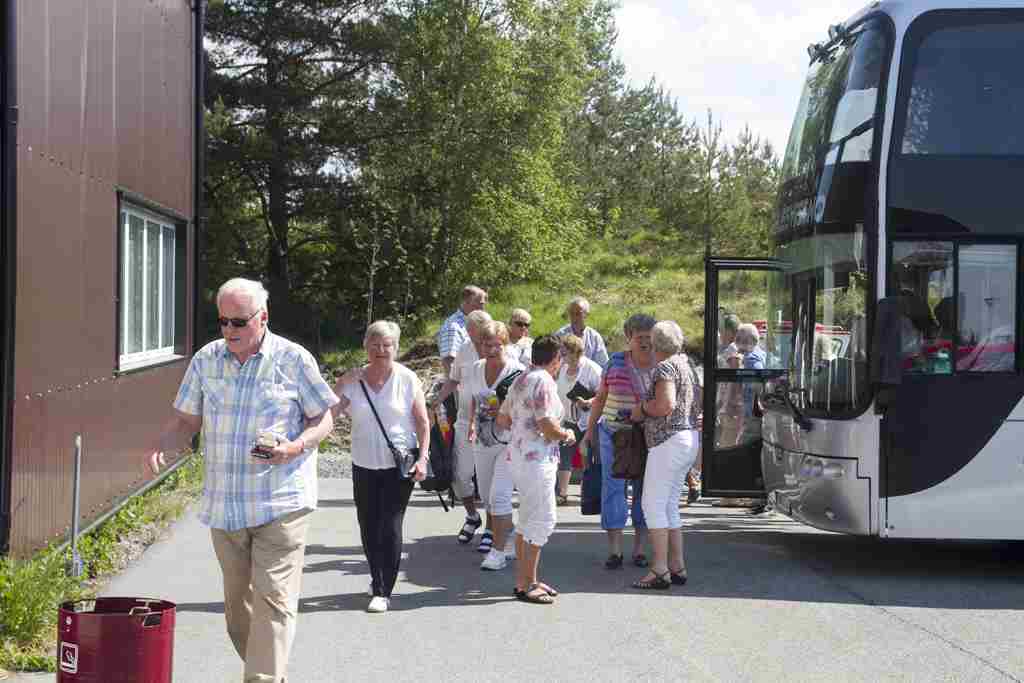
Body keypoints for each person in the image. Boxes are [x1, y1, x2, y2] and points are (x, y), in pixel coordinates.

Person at [146, 278, 338, 682]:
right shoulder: (206, 360)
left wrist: (295, 446)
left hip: (281, 501)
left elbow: (324, 417)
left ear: (262, 318)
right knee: (237, 611)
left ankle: (262, 679)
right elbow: (187, 420)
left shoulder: (293, 359)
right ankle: (272, 673)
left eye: (239, 322)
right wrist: (163, 445)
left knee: (274, 601)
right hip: (226, 505)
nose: (229, 331)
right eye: (223, 322)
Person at [333, 321, 430, 613]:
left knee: (390, 524)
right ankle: (377, 576)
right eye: (374, 344)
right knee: (367, 523)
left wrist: (423, 458)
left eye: (387, 345)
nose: (380, 350)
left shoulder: (407, 379)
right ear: (366, 347)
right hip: (363, 463)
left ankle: (382, 589)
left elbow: (423, 423)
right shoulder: (354, 380)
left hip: (398, 465)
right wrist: (340, 383)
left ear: (396, 348)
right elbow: (329, 412)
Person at [496, 336, 575, 605]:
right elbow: (547, 424)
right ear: (556, 360)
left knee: (527, 521)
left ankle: (525, 579)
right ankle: (527, 583)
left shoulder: (521, 379)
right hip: (536, 461)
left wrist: (522, 428)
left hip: (518, 457)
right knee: (542, 520)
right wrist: (566, 435)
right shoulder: (544, 381)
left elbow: (503, 418)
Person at [630, 321, 700, 589]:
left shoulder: (665, 366)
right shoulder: (687, 364)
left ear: (656, 345)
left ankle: (659, 569)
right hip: (687, 438)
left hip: (667, 441)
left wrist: (642, 409)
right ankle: (677, 565)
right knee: (670, 505)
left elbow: (665, 405)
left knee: (653, 505)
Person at [583, 313, 655, 569]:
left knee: (643, 492)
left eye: (649, 337)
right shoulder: (614, 364)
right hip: (612, 434)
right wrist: (590, 430)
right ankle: (615, 550)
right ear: (629, 337)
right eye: (640, 337)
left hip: (646, 437)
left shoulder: (661, 365)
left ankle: (639, 549)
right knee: (612, 489)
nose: (645, 342)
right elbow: (600, 398)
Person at [466, 321, 524, 569]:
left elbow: (523, 408)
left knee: (499, 495)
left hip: (508, 440)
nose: (490, 349)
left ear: (505, 344)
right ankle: (508, 533)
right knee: (487, 496)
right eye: (485, 344)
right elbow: (472, 399)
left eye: (496, 345)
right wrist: (470, 424)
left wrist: (501, 411)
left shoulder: (518, 371)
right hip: (482, 438)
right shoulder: (476, 368)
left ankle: (500, 549)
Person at [433, 309, 493, 543]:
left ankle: (491, 527)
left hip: (491, 424)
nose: (482, 337)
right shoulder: (465, 349)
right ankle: (472, 516)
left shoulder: (500, 349)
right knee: (459, 475)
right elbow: (454, 379)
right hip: (464, 421)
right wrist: (436, 401)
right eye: (476, 332)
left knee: (488, 480)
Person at [554, 334, 602, 506]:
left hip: (587, 420)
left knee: (586, 456)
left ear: (576, 352)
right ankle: (562, 493)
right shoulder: (561, 367)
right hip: (566, 418)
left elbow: (603, 394)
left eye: (565, 352)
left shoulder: (592, 369)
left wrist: (589, 402)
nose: (561, 355)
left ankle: (586, 492)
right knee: (564, 455)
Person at [436, 285, 488, 377]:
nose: (483, 308)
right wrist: (457, 390)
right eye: (480, 304)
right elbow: (449, 363)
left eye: (484, 304)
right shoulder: (453, 328)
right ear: (466, 301)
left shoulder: (473, 323)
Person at [555, 297, 609, 368]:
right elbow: (554, 361)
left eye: (578, 314)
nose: (574, 317)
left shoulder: (594, 337)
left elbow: (603, 364)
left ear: (586, 315)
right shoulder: (560, 335)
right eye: (571, 313)